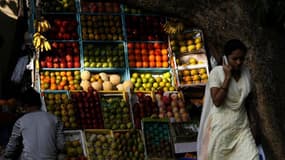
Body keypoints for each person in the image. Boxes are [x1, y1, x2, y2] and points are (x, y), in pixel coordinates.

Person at [197, 39, 259, 160]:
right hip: (221, 128)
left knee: (253, 157)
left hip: (242, 127)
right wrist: (227, 78)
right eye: (234, 59)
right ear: (225, 58)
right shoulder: (217, 73)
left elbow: (247, 101)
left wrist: (254, 123)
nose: (239, 62)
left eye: (242, 58)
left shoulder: (246, 73)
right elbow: (217, 101)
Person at [3, 87, 65, 160]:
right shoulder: (55, 119)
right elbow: (61, 145)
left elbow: (11, 147)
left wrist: (5, 155)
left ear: (25, 106)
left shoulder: (20, 121)